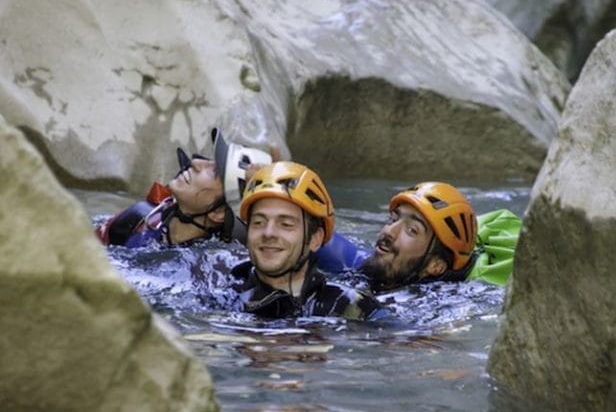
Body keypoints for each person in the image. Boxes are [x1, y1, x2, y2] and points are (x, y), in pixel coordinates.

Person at [231, 161, 388, 321]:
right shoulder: (219, 293)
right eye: (259, 222)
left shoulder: (351, 308)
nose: (268, 233)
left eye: (286, 224)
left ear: (315, 239)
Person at [317, 181, 522, 290]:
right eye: (393, 219)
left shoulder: (438, 306)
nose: (389, 231)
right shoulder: (381, 265)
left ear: (435, 266)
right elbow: (317, 238)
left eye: (411, 230)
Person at [95, 128, 272, 248]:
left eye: (214, 172)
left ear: (218, 214)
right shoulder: (136, 219)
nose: (195, 162)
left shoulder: (204, 271)